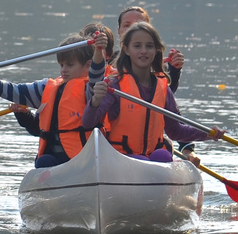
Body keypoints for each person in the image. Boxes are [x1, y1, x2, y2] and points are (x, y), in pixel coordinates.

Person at [0, 26, 113, 166]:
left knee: (46, 163)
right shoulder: (46, 88)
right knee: (44, 162)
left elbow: (97, 72)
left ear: (88, 65)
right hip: (53, 161)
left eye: (69, 65)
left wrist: (99, 50)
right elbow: (14, 91)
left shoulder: (92, 89)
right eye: (61, 65)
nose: (63, 70)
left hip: (83, 161)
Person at [89, 21, 216, 162]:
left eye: (149, 46)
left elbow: (174, 131)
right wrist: (95, 101)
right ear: (126, 49)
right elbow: (89, 122)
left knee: (162, 156)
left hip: (152, 157)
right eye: (137, 46)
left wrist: (207, 134)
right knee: (142, 159)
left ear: (156, 50)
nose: (143, 51)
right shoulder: (115, 85)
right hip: (122, 158)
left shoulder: (163, 87)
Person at [115, 5, 184, 90]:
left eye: (139, 24)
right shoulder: (107, 62)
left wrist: (174, 69)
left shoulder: (156, 63)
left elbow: (166, 93)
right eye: (127, 25)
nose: (133, 29)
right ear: (119, 31)